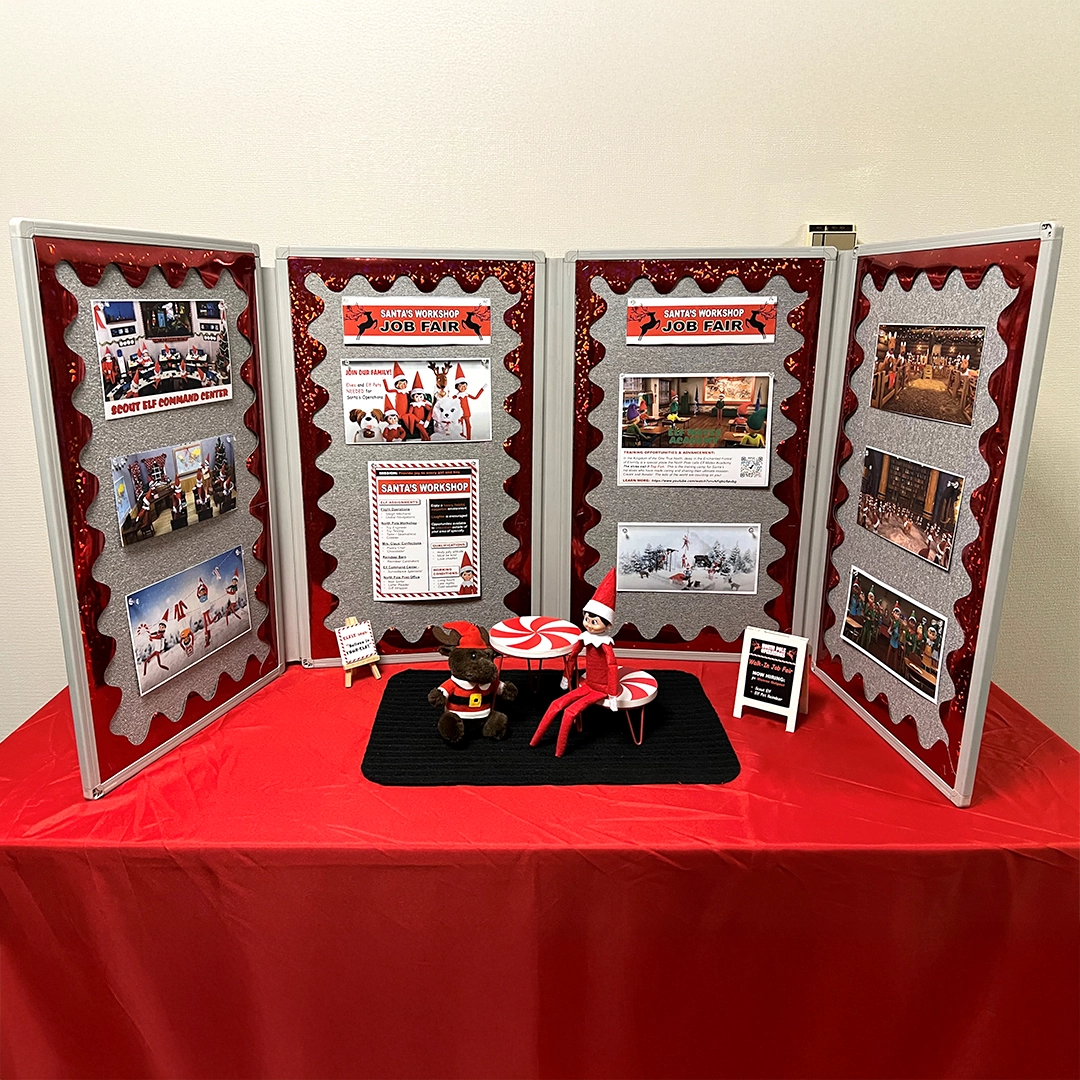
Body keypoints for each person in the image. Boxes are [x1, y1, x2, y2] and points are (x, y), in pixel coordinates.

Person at [530, 570, 620, 757]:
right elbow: (573, 656)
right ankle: (534, 741)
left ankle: (559, 752)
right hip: (588, 683)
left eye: (594, 621)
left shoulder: (605, 645)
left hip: (601, 688)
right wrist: (566, 676)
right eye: (586, 618)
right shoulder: (584, 638)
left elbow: (612, 668)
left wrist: (611, 695)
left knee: (570, 712)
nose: (588, 624)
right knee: (556, 704)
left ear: (608, 625)